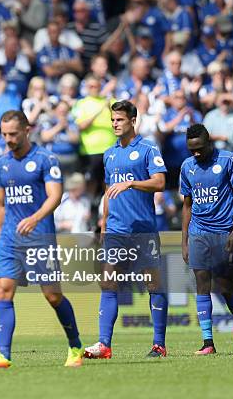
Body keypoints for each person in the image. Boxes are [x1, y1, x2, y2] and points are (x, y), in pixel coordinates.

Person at [0, 110, 83, 369]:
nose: (8, 139)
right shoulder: (2, 164)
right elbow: (1, 201)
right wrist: (0, 229)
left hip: (40, 237)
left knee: (52, 296)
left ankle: (75, 346)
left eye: (13, 134)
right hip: (10, 238)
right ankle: (3, 355)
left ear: (27, 130)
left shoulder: (45, 159)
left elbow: (55, 196)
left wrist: (35, 218)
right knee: (3, 289)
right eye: (4, 134)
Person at [84, 100, 168, 359]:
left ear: (133, 120)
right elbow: (110, 193)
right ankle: (104, 345)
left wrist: (132, 182)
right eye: (112, 120)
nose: (115, 124)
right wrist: (104, 225)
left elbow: (160, 182)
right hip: (116, 230)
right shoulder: (109, 154)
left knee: (153, 285)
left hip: (143, 229)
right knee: (108, 283)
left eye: (119, 120)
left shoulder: (147, 148)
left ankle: (158, 344)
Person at [180, 123, 233, 355]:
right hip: (198, 231)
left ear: (209, 143)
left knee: (224, 285)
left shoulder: (228, 160)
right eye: (192, 150)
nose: (196, 154)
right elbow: (187, 205)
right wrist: (184, 240)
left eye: (200, 148)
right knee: (202, 282)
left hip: (224, 231)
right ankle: (208, 342)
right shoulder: (187, 166)